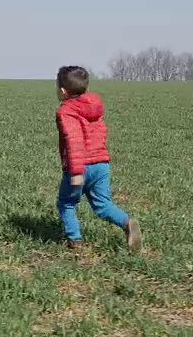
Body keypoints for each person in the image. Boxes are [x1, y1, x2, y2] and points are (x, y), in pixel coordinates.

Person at [54, 65, 142, 251]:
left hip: (80, 167)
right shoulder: (93, 108)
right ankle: (127, 224)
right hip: (101, 164)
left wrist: (75, 173)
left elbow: (74, 142)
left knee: (66, 203)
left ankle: (74, 241)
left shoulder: (66, 111)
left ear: (62, 91)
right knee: (103, 205)